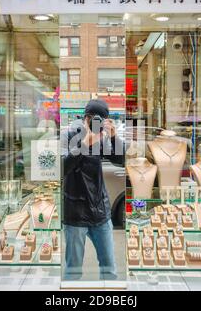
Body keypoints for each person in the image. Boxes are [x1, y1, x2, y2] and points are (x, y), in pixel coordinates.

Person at [61, 99, 124, 281]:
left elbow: (121, 161)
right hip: (75, 214)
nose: (96, 124)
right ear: (86, 118)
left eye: (101, 121)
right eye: (93, 119)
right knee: (73, 271)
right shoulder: (69, 134)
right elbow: (62, 168)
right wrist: (83, 145)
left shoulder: (102, 137)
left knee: (110, 270)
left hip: (100, 212)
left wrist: (113, 137)